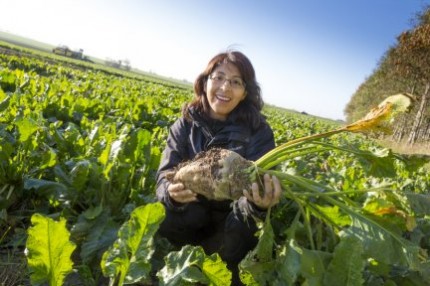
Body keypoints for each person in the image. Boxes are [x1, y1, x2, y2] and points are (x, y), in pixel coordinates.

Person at [155, 50, 282, 285]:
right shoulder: (185, 124)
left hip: (232, 220)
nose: (225, 88)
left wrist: (258, 204)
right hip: (193, 214)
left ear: (245, 92)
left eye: (235, 82)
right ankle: (184, 259)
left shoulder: (259, 131)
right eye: (219, 78)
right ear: (205, 82)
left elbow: (261, 184)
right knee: (164, 214)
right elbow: (165, 174)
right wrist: (170, 193)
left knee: (242, 227)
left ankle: (225, 265)